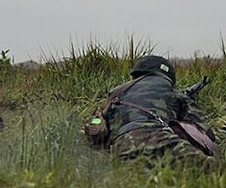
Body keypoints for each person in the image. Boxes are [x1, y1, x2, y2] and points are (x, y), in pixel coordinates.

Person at [85, 55, 218, 165]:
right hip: (159, 138)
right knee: (213, 169)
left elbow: (97, 134)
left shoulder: (115, 94)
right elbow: (206, 132)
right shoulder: (172, 91)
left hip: (121, 149)